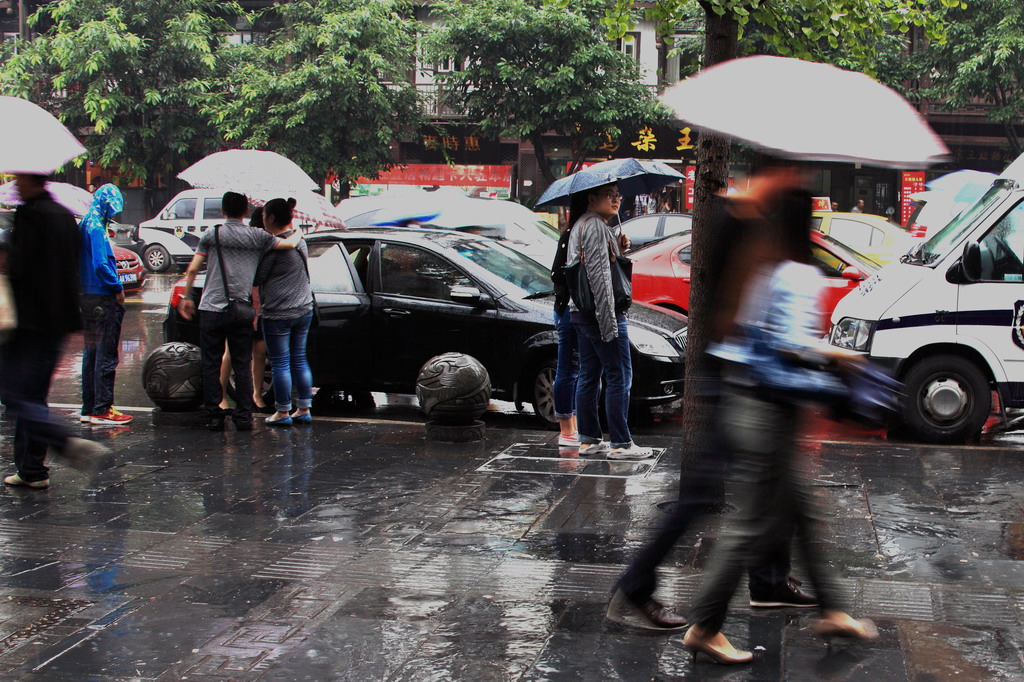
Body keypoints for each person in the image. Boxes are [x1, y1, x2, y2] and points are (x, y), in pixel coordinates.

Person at [607, 168, 817, 632]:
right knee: (707, 496)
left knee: (771, 487)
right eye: (789, 175)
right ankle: (641, 590)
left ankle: (768, 581)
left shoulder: (750, 218)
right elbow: (737, 304)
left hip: (737, 373)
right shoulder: (734, 219)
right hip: (729, 375)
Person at [682, 187, 877, 665]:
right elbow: (790, 343)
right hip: (766, 409)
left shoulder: (767, 266)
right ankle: (705, 626)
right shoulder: (795, 273)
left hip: (760, 403)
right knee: (749, 522)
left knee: (804, 512)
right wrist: (840, 354)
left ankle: (832, 609)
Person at [2, 174, 109, 489]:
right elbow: (69, 270)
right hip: (58, 322)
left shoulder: (30, 215)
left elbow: (21, 269)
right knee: (33, 396)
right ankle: (32, 469)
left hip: (28, 323)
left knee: (14, 396)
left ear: (29, 178)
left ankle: (63, 443)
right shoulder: (64, 217)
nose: (15, 183)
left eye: (19, 177)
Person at [176, 192, 302, 431]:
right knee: (242, 363)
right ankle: (243, 417)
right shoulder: (257, 236)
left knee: (211, 363)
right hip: (242, 310)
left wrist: (186, 297)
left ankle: (214, 415)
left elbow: (193, 269)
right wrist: (299, 232)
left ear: (223, 211)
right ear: (245, 211)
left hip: (211, 308)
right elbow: (288, 244)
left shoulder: (211, 234)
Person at [565, 183, 652, 460]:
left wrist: (617, 244)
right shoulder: (593, 227)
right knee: (619, 375)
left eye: (618, 195)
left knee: (590, 375)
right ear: (592, 198)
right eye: (610, 195)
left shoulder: (586, 225)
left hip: (583, 313)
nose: (616, 200)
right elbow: (600, 278)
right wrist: (608, 323)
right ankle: (621, 443)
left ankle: (589, 440)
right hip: (600, 314)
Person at [254, 198, 314, 426]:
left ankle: (282, 412)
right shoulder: (301, 241)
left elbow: (259, 278)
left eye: (263, 217)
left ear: (270, 218)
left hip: (278, 312)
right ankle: (304, 408)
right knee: (299, 359)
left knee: (280, 363)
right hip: (303, 308)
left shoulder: (272, 246)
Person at [78, 183, 132, 426]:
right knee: (106, 353)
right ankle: (103, 407)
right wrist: (117, 288)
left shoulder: (84, 224)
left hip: (86, 296)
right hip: (102, 296)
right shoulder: (96, 227)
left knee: (91, 353)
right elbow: (101, 264)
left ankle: (89, 407)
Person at [549, 197, 583, 447]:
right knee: (569, 369)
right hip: (569, 310)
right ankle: (566, 428)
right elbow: (556, 272)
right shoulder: (573, 233)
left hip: (580, 311)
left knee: (584, 371)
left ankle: (577, 426)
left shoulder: (593, 229)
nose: (616, 199)